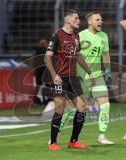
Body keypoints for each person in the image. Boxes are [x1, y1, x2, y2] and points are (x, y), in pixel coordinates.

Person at [59, 11, 114, 145]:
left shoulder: (104, 36)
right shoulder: (80, 36)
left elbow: (106, 55)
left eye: (101, 20)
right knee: (71, 107)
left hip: (97, 76)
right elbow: (74, 55)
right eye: (97, 20)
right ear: (89, 21)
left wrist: (107, 71)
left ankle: (101, 136)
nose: (100, 22)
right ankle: (57, 132)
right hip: (80, 76)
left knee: (105, 104)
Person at [44, 9, 95, 151]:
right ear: (68, 20)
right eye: (76, 18)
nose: (79, 21)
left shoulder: (76, 36)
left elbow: (78, 55)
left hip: (73, 78)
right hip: (60, 77)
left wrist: (89, 72)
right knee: (60, 108)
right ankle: (53, 143)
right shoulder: (57, 35)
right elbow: (47, 57)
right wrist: (54, 75)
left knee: (82, 107)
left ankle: (73, 141)